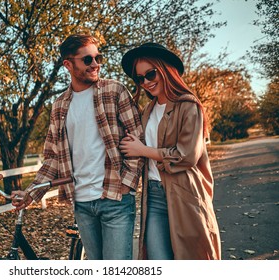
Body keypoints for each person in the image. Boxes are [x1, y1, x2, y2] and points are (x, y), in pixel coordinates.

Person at [11, 34, 144, 260]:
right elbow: (53, 158)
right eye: (88, 60)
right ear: (68, 65)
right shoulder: (60, 105)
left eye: (97, 57)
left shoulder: (115, 91)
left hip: (115, 200)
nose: (95, 64)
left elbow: (137, 138)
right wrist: (31, 193)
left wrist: (126, 184)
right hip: (81, 203)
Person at [119, 42, 221, 260]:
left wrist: (144, 150)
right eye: (140, 78)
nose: (146, 82)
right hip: (153, 196)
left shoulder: (188, 105)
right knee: (158, 260)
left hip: (184, 193)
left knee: (191, 260)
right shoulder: (147, 111)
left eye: (150, 73)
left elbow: (187, 155)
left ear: (165, 69)